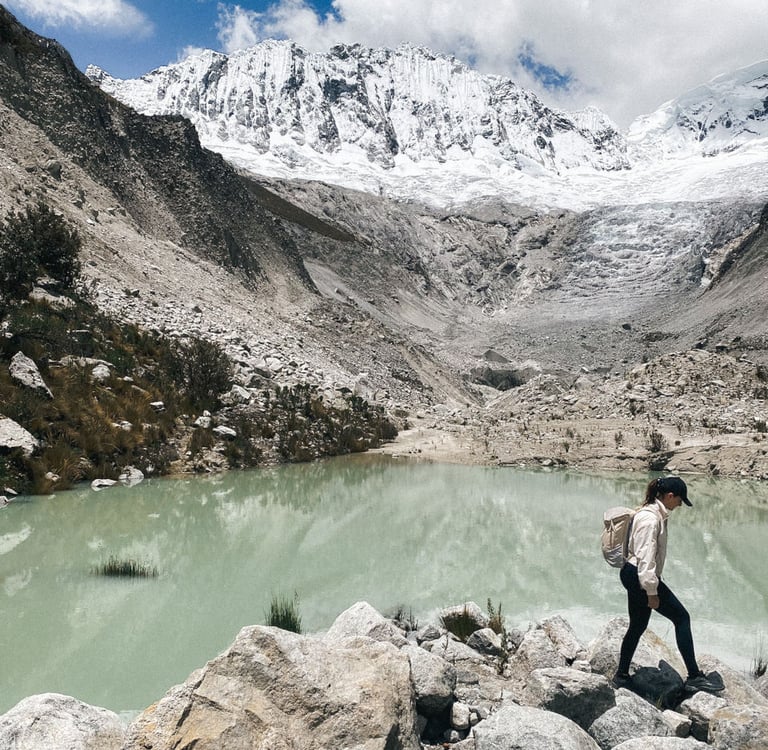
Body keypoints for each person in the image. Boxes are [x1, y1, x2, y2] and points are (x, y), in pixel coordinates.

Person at [613, 476, 723, 692]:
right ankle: (694, 677)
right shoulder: (651, 520)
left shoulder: (653, 514)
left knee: (637, 625)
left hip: (633, 574)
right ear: (670, 496)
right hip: (640, 577)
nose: (681, 504)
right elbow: (645, 559)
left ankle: (621, 676)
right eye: (680, 500)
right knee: (682, 618)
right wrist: (651, 591)